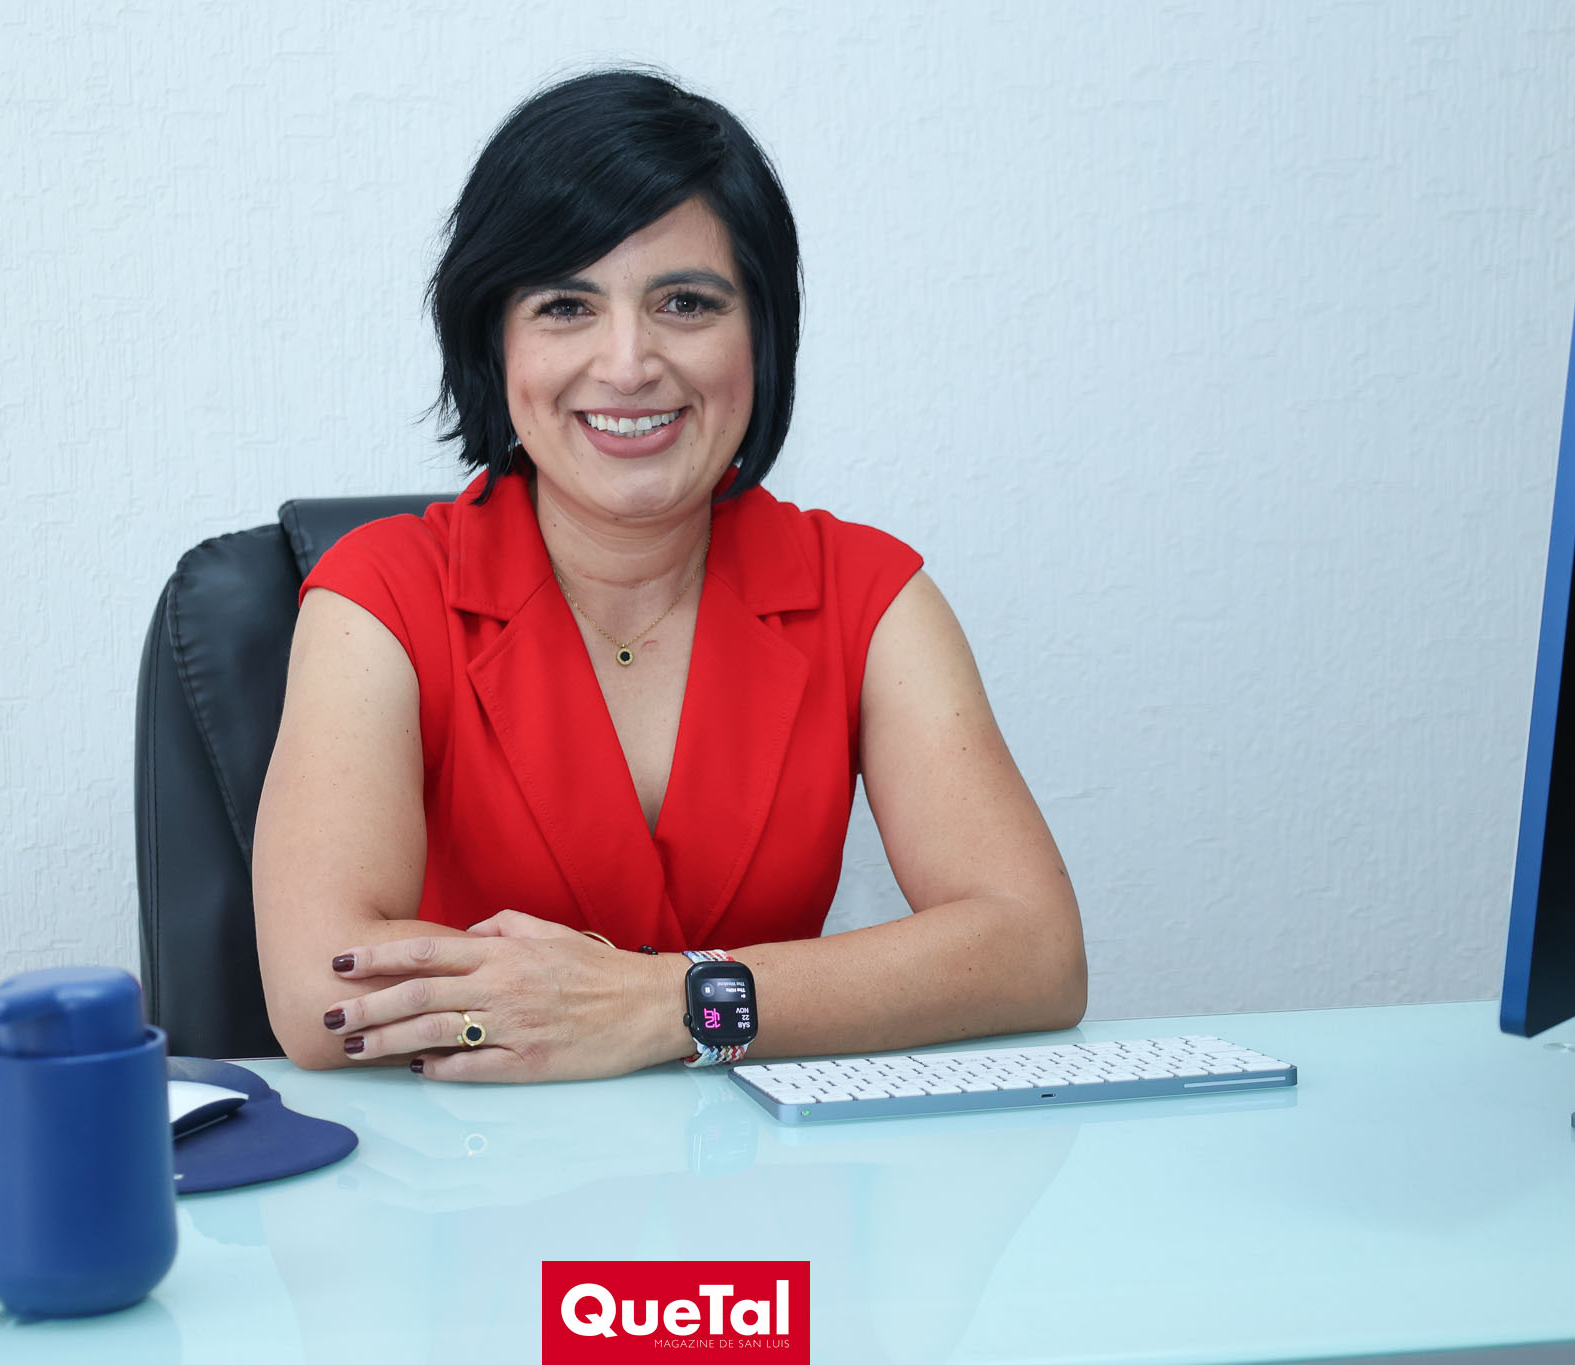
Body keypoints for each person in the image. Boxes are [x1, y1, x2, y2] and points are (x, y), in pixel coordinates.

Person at [252, 70, 1084, 1081]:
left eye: (685, 303)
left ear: (760, 334)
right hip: (472, 1163)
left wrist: (669, 1002)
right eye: (565, 306)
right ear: (494, 343)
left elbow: (1034, 951)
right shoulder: (380, 595)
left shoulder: (868, 594)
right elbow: (323, 994)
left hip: (762, 1170)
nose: (627, 363)